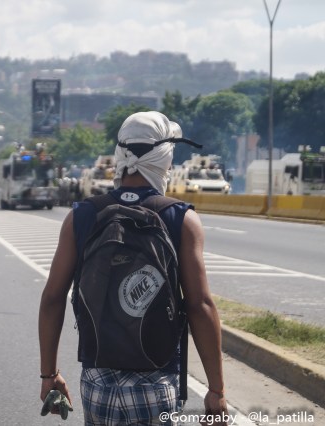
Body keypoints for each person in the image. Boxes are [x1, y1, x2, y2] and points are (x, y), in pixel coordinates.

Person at [38, 111, 228, 425]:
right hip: (156, 382)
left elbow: (52, 299)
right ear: (165, 160)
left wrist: (49, 375)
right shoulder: (181, 218)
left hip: (97, 382)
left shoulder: (82, 215)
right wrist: (216, 390)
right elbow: (200, 305)